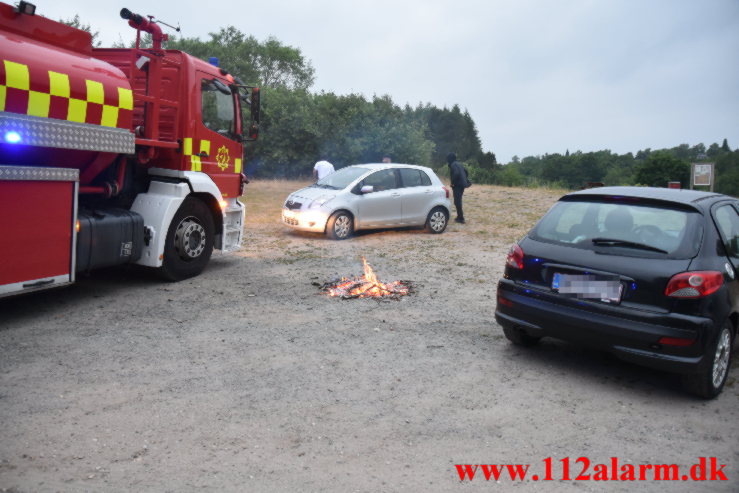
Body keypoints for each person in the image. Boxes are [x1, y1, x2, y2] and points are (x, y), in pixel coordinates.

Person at [447, 152, 469, 223]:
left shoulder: (453, 164)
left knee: (457, 201)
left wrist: (453, 183)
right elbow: (466, 172)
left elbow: (456, 173)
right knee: (457, 201)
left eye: (448, 158)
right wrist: (464, 179)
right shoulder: (459, 164)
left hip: (458, 185)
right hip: (462, 184)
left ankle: (461, 218)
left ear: (450, 158)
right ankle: (459, 217)